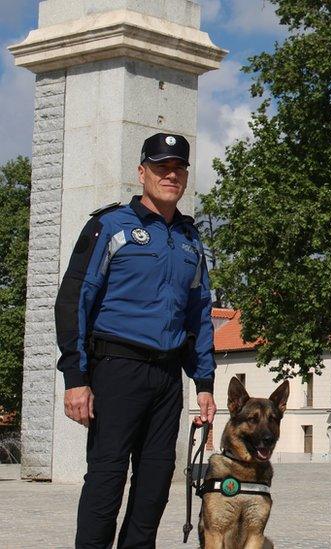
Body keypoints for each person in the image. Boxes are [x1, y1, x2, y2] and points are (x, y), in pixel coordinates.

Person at [55, 132, 217, 548]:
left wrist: (204, 383)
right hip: (116, 369)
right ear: (142, 172)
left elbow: (199, 313)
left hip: (166, 378)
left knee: (156, 482)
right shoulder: (109, 227)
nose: (171, 175)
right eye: (161, 167)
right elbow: (74, 300)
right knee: (107, 478)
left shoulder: (190, 240)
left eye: (178, 168)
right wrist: (76, 377)